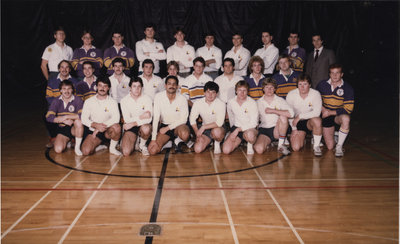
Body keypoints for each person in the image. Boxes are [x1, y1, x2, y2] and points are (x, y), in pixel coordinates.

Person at [316, 64, 354, 157]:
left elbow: (348, 109)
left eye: (337, 73)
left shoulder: (347, 88)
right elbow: (314, 100)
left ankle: (339, 146)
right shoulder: (322, 84)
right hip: (325, 115)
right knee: (329, 146)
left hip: (337, 115)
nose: (335, 75)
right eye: (332, 73)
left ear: (342, 74)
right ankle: (335, 136)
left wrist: (330, 112)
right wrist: (324, 110)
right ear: (329, 74)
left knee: (346, 119)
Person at [148, 76, 190, 155]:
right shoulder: (158, 97)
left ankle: (178, 140)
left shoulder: (182, 99)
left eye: (174, 84)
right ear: (165, 86)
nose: (172, 86)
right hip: (164, 126)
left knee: (185, 134)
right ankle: (168, 142)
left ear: (177, 86)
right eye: (169, 84)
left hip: (178, 126)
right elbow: (156, 118)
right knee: (152, 151)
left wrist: (167, 128)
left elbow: (184, 119)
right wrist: (153, 139)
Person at [81, 76, 121, 155]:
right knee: (86, 151)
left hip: (108, 131)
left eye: (105, 86)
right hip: (94, 131)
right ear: (96, 87)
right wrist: (95, 125)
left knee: (117, 127)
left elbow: (116, 118)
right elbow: (84, 119)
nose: (102, 88)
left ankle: (112, 148)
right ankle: (99, 146)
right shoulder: (89, 101)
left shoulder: (113, 102)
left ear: (108, 88)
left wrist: (100, 128)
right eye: (100, 85)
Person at [286, 74, 323, 156]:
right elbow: (289, 114)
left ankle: (316, 146)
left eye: (305, 84)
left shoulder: (316, 94)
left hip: (310, 122)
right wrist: (294, 129)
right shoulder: (291, 94)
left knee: (317, 121)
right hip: (297, 123)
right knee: (296, 148)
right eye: (300, 84)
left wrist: (300, 116)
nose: (302, 87)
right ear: (297, 85)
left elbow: (317, 112)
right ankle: (303, 136)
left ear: (309, 85)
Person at [254, 78, 293, 155]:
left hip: (277, 128)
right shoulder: (258, 102)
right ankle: (270, 142)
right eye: (267, 87)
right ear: (263, 89)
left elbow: (291, 113)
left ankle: (281, 145)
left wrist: (273, 111)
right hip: (265, 129)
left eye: (271, 87)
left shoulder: (280, 100)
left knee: (283, 116)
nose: (269, 90)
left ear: (275, 89)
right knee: (259, 149)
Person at [46, 80, 84, 155]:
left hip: (75, 128)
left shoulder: (77, 99)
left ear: (72, 90)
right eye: (64, 89)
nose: (67, 91)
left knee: (78, 122)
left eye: (69, 88)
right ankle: (69, 141)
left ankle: (77, 147)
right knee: (58, 149)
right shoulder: (56, 101)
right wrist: (62, 120)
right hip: (63, 128)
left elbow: (82, 115)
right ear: (60, 90)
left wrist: (66, 117)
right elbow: (48, 117)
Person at [223, 80, 258, 155]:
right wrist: (233, 130)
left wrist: (238, 130)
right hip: (236, 128)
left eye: (244, 90)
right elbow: (231, 117)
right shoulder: (231, 102)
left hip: (249, 129)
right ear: (236, 91)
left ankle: (250, 143)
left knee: (250, 136)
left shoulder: (252, 103)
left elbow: (254, 123)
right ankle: (239, 141)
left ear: (248, 91)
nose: (242, 93)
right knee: (226, 150)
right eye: (239, 90)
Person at [190, 81, 226, 154]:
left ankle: (217, 142)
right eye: (208, 92)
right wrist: (197, 132)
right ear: (204, 93)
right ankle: (209, 141)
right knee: (198, 149)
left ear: (217, 94)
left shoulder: (221, 104)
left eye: (213, 92)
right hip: (206, 129)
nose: (210, 95)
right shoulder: (198, 103)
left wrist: (203, 127)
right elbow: (192, 119)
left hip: (218, 128)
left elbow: (219, 123)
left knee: (216, 132)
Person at [120, 77, 153, 156]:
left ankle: (142, 145)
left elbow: (149, 119)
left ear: (142, 87)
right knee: (126, 152)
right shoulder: (124, 101)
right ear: (130, 88)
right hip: (131, 126)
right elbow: (127, 120)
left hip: (142, 125)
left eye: (139, 86)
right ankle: (135, 141)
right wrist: (142, 116)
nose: (137, 89)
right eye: (134, 86)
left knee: (146, 128)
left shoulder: (147, 99)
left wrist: (133, 123)